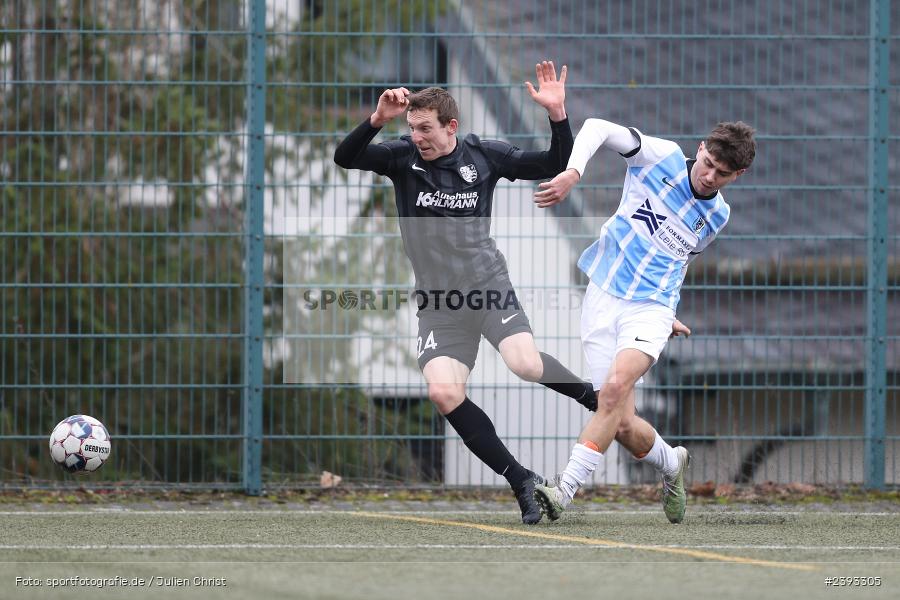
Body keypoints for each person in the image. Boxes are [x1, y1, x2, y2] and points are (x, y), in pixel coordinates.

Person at [334, 61, 596, 525]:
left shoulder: (484, 155)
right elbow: (346, 157)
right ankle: (522, 480)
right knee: (442, 392)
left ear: (451, 126)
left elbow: (553, 163)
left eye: (426, 128)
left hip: (487, 287)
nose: (418, 136)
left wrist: (558, 115)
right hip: (439, 305)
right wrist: (377, 121)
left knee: (525, 364)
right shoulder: (401, 158)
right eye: (413, 128)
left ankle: (591, 397)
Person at [532, 118, 756, 523]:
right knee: (620, 422)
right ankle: (672, 463)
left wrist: (664, 315)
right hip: (602, 296)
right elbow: (597, 127)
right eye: (706, 163)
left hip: (650, 309)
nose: (708, 176)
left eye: (722, 174)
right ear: (701, 146)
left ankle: (562, 490)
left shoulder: (718, 215)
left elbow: (678, 261)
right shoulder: (660, 157)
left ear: (738, 175)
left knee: (615, 389)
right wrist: (573, 171)